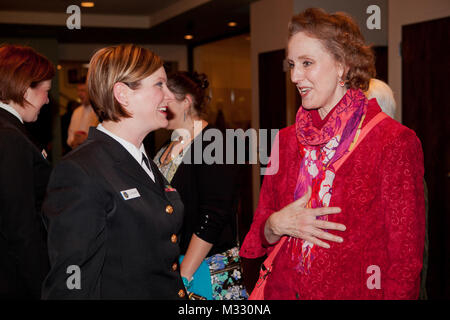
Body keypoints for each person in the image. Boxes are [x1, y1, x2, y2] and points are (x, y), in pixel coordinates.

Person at [240, 8, 425, 299]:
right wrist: (275, 225)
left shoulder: (392, 141)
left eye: (307, 63)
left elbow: (404, 262)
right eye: (292, 65)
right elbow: (259, 232)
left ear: (342, 64)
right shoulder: (286, 141)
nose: (295, 77)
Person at [42, 44, 186, 299]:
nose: (169, 96)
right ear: (122, 94)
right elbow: (71, 286)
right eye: (159, 85)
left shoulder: (143, 160)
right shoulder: (81, 171)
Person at [154, 71, 246, 300]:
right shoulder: (167, 144)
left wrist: (184, 276)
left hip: (204, 269)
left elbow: (213, 216)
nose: (160, 106)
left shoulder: (216, 142)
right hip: (174, 264)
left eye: (166, 101)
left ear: (186, 102)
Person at [0, 44, 55, 298]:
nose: (46, 99)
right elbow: (20, 226)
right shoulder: (10, 137)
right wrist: (44, 286)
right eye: (45, 91)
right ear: (25, 89)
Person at [66, 81, 99, 149]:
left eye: (83, 90)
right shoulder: (76, 112)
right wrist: (73, 141)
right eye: (78, 90)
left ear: (90, 92)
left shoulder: (98, 111)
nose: (79, 94)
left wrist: (86, 138)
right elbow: (70, 137)